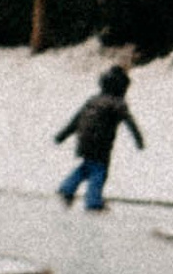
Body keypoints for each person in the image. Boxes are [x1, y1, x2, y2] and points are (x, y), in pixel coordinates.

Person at [54, 67, 144, 212]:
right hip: (101, 141)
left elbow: (76, 120)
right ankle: (93, 202)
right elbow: (130, 123)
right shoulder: (118, 104)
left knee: (87, 166)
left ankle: (67, 189)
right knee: (99, 170)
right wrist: (139, 140)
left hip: (84, 139)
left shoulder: (93, 100)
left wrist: (62, 135)